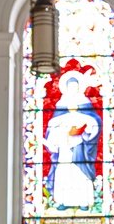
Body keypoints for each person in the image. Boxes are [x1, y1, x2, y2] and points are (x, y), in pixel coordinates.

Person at [43, 71, 102, 209]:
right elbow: (52, 123)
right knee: (64, 171)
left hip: (79, 145)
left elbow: (95, 121)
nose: (73, 90)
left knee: (79, 172)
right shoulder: (61, 103)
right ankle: (63, 201)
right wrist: (59, 127)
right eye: (71, 87)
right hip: (64, 146)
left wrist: (86, 128)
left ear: (79, 87)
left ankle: (83, 202)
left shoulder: (85, 102)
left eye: (76, 87)